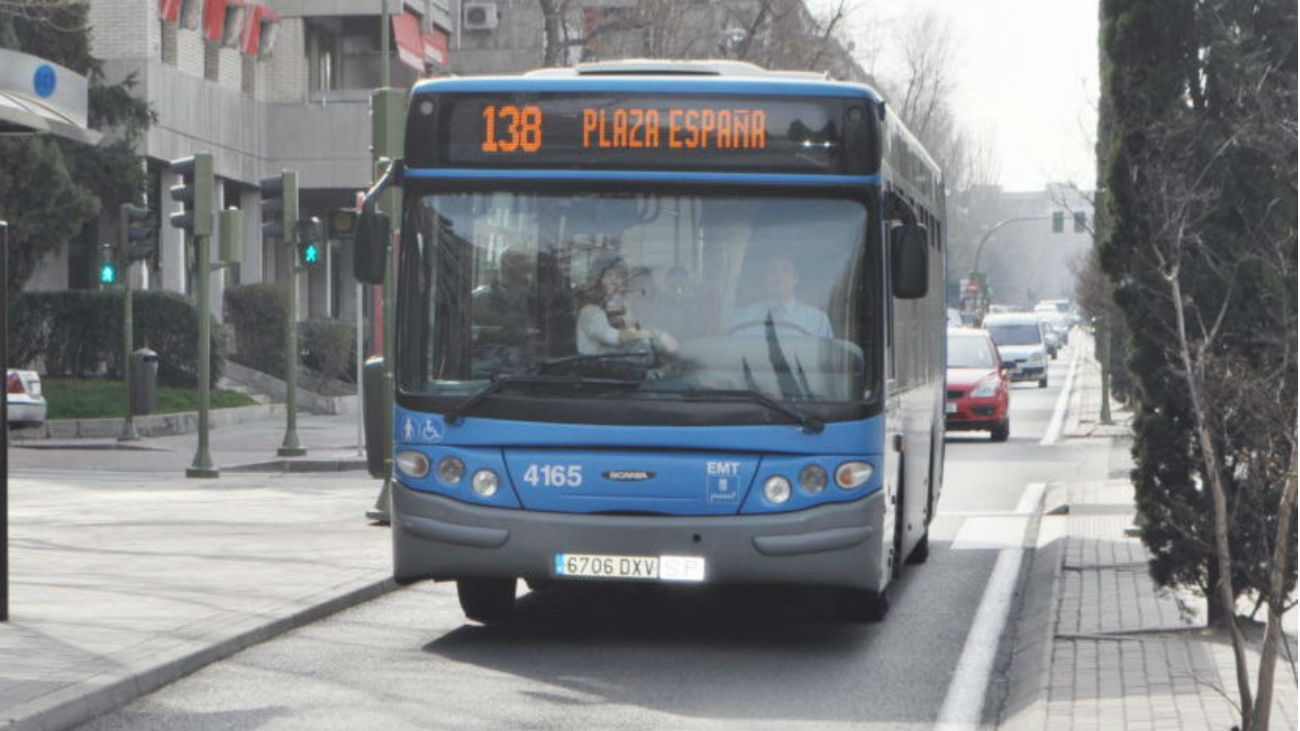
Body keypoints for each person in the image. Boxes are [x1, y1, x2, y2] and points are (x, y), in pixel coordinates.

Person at [576, 253, 676, 355]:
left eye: (618, 276)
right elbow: (612, 336)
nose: (614, 281)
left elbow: (632, 332)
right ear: (598, 280)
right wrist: (657, 334)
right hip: (592, 368)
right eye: (608, 275)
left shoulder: (623, 306)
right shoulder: (589, 312)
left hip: (622, 367)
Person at [727, 254, 833, 338]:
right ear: (765, 278)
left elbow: (826, 361)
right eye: (773, 270)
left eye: (785, 270)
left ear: (795, 278)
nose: (779, 276)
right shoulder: (745, 317)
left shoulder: (817, 320)